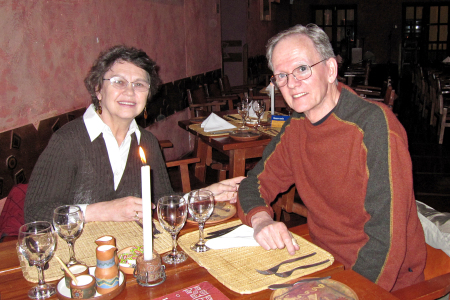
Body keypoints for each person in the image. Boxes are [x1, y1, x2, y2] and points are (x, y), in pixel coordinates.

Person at [236, 24, 426, 292]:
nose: (292, 84)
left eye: (302, 68)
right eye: (281, 75)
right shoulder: (296, 128)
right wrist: (261, 219)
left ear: (330, 70)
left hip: (382, 283)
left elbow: (387, 239)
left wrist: (349, 291)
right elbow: (253, 184)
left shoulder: (374, 126)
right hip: (322, 265)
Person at [25, 45, 243, 224]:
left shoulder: (147, 142)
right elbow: (35, 213)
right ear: (98, 89)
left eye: (139, 84)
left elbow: (160, 203)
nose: (130, 92)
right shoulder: (68, 141)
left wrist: (203, 196)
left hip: (133, 255)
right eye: (118, 82)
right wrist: (101, 212)